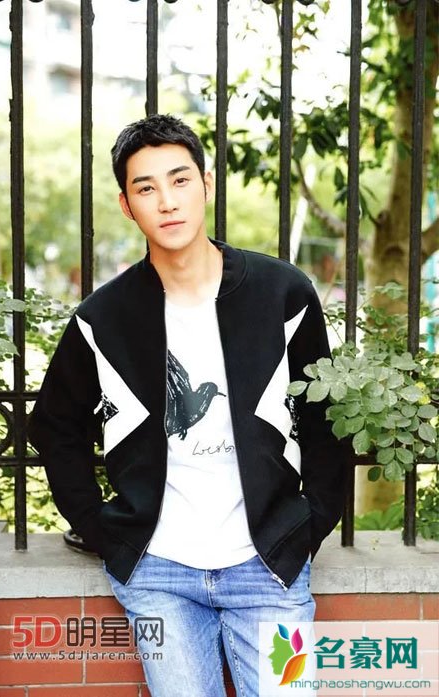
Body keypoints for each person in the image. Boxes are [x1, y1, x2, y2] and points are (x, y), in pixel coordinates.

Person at [28, 114, 347, 697]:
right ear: (127, 206)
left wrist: (312, 521)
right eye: (146, 188)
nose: (167, 201)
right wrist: (102, 529)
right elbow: (55, 426)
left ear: (206, 184)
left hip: (268, 565)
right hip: (158, 573)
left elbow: (325, 415)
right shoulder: (104, 317)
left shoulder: (283, 294)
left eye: (179, 180)